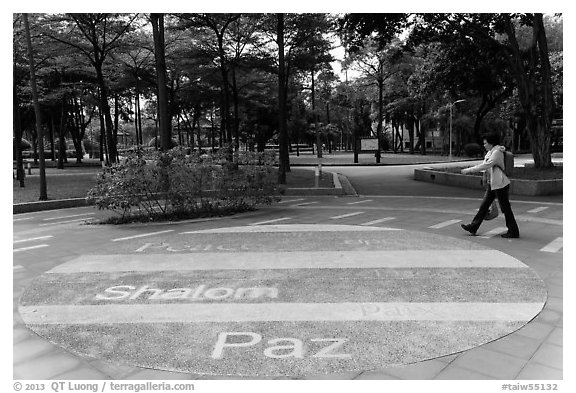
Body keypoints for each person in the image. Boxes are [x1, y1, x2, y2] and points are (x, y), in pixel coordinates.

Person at [460, 133, 520, 238]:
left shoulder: (497, 152)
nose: (484, 145)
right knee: (484, 207)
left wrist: (468, 170)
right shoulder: (490, 152)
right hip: (492, 184)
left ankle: (513, 231)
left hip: (500, 184)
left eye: (485, 143)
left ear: (491, 143)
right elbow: (485, 167)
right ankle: (473, 227)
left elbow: (486, 165)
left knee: (505, 208)